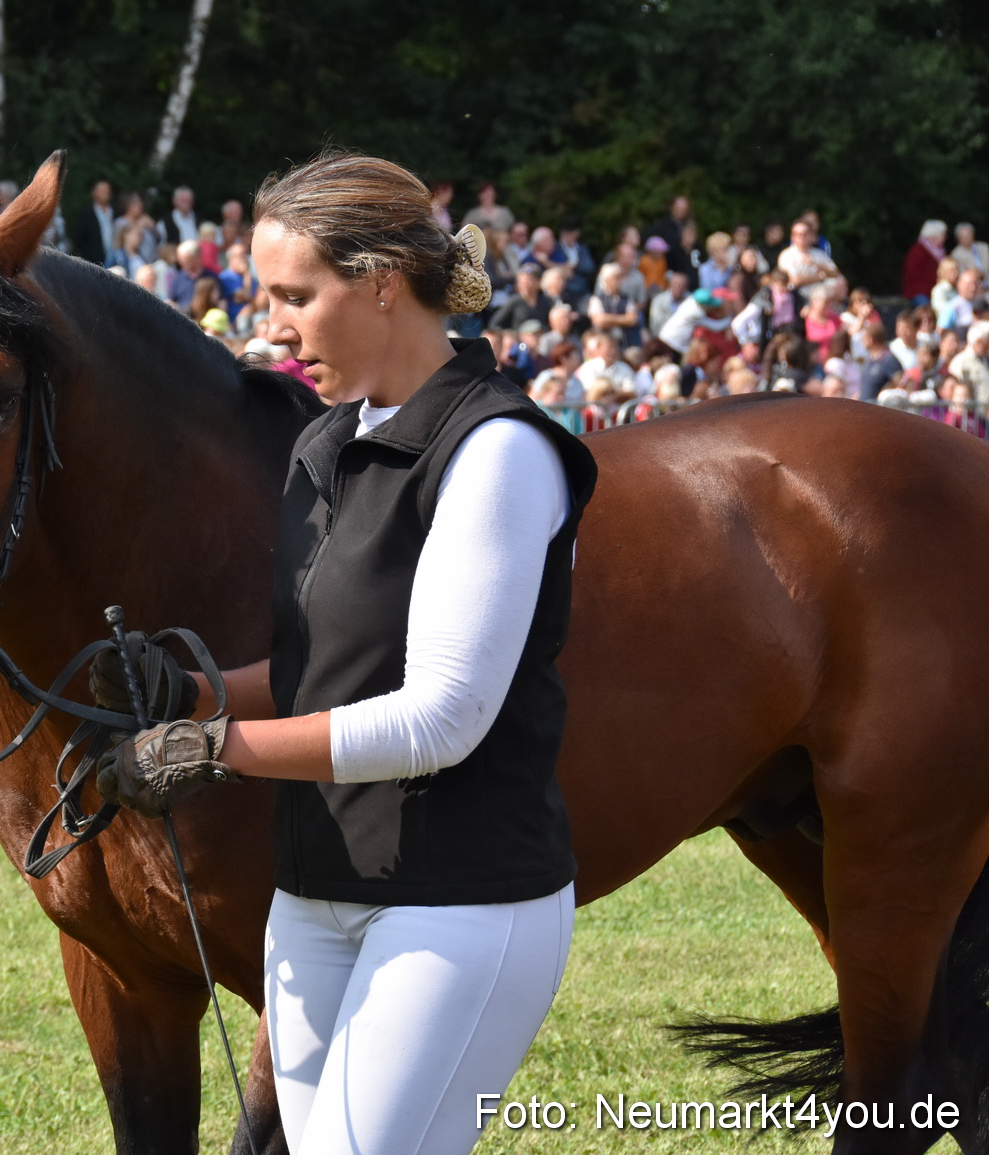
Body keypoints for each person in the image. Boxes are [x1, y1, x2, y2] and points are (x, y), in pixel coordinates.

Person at [94, 152, 591, 1155]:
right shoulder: (325, 442)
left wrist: (216, 748)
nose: (266, 325)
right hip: (314, 895)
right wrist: (190, 693)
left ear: (378, 285)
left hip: (461, 902)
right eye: (261, 296)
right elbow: (328, 674)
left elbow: (438, 718)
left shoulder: (497, 452)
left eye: (291, 296)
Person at [647, 195, 694, 282]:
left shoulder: (689, 226)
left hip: (684, 268)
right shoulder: (662, 226)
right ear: (672, 208)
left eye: (684, 209)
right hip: (666, 268)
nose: (681, 211)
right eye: (679, 208)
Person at [70, 179, 116, 266]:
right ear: (94, 193)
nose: (105, 194)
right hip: (94, 262)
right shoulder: (86, 215)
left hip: (115, 260)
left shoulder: (116, 213)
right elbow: (79, 239)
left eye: (107, 191)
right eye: (102, 191)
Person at [905, 220, 948, 304]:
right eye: (942, 234)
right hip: (919, 291)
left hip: (935, 289)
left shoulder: (939, 250)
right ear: (934, 235)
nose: (945, 237)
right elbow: (913, 273)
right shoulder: (918, 250)